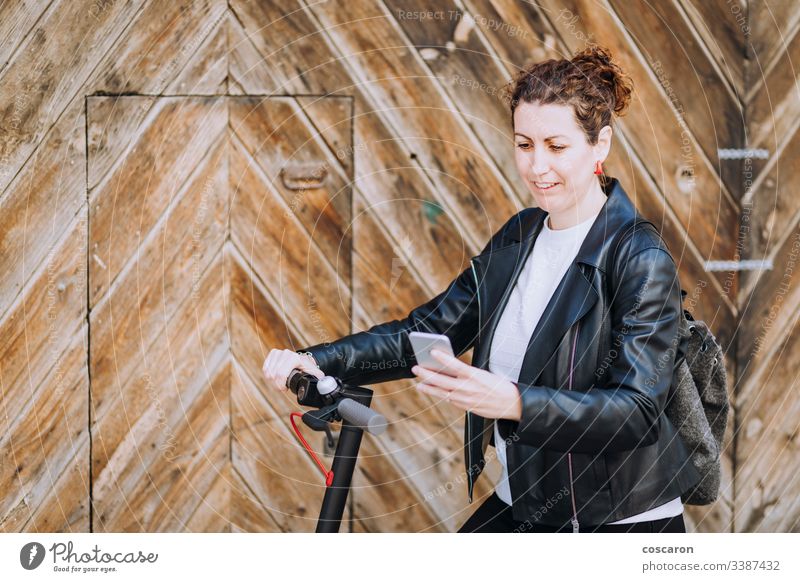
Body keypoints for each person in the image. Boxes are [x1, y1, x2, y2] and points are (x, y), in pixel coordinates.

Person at [262, 46, 701, 533]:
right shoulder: (519, 237)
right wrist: (317, 360)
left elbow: (635, 412)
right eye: (523, 144)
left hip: (615, 521)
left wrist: (513, 402)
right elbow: (426, 332)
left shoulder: (639, 260)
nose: (537, 167)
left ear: (600, 145)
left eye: (556, 147)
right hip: (528, 501)